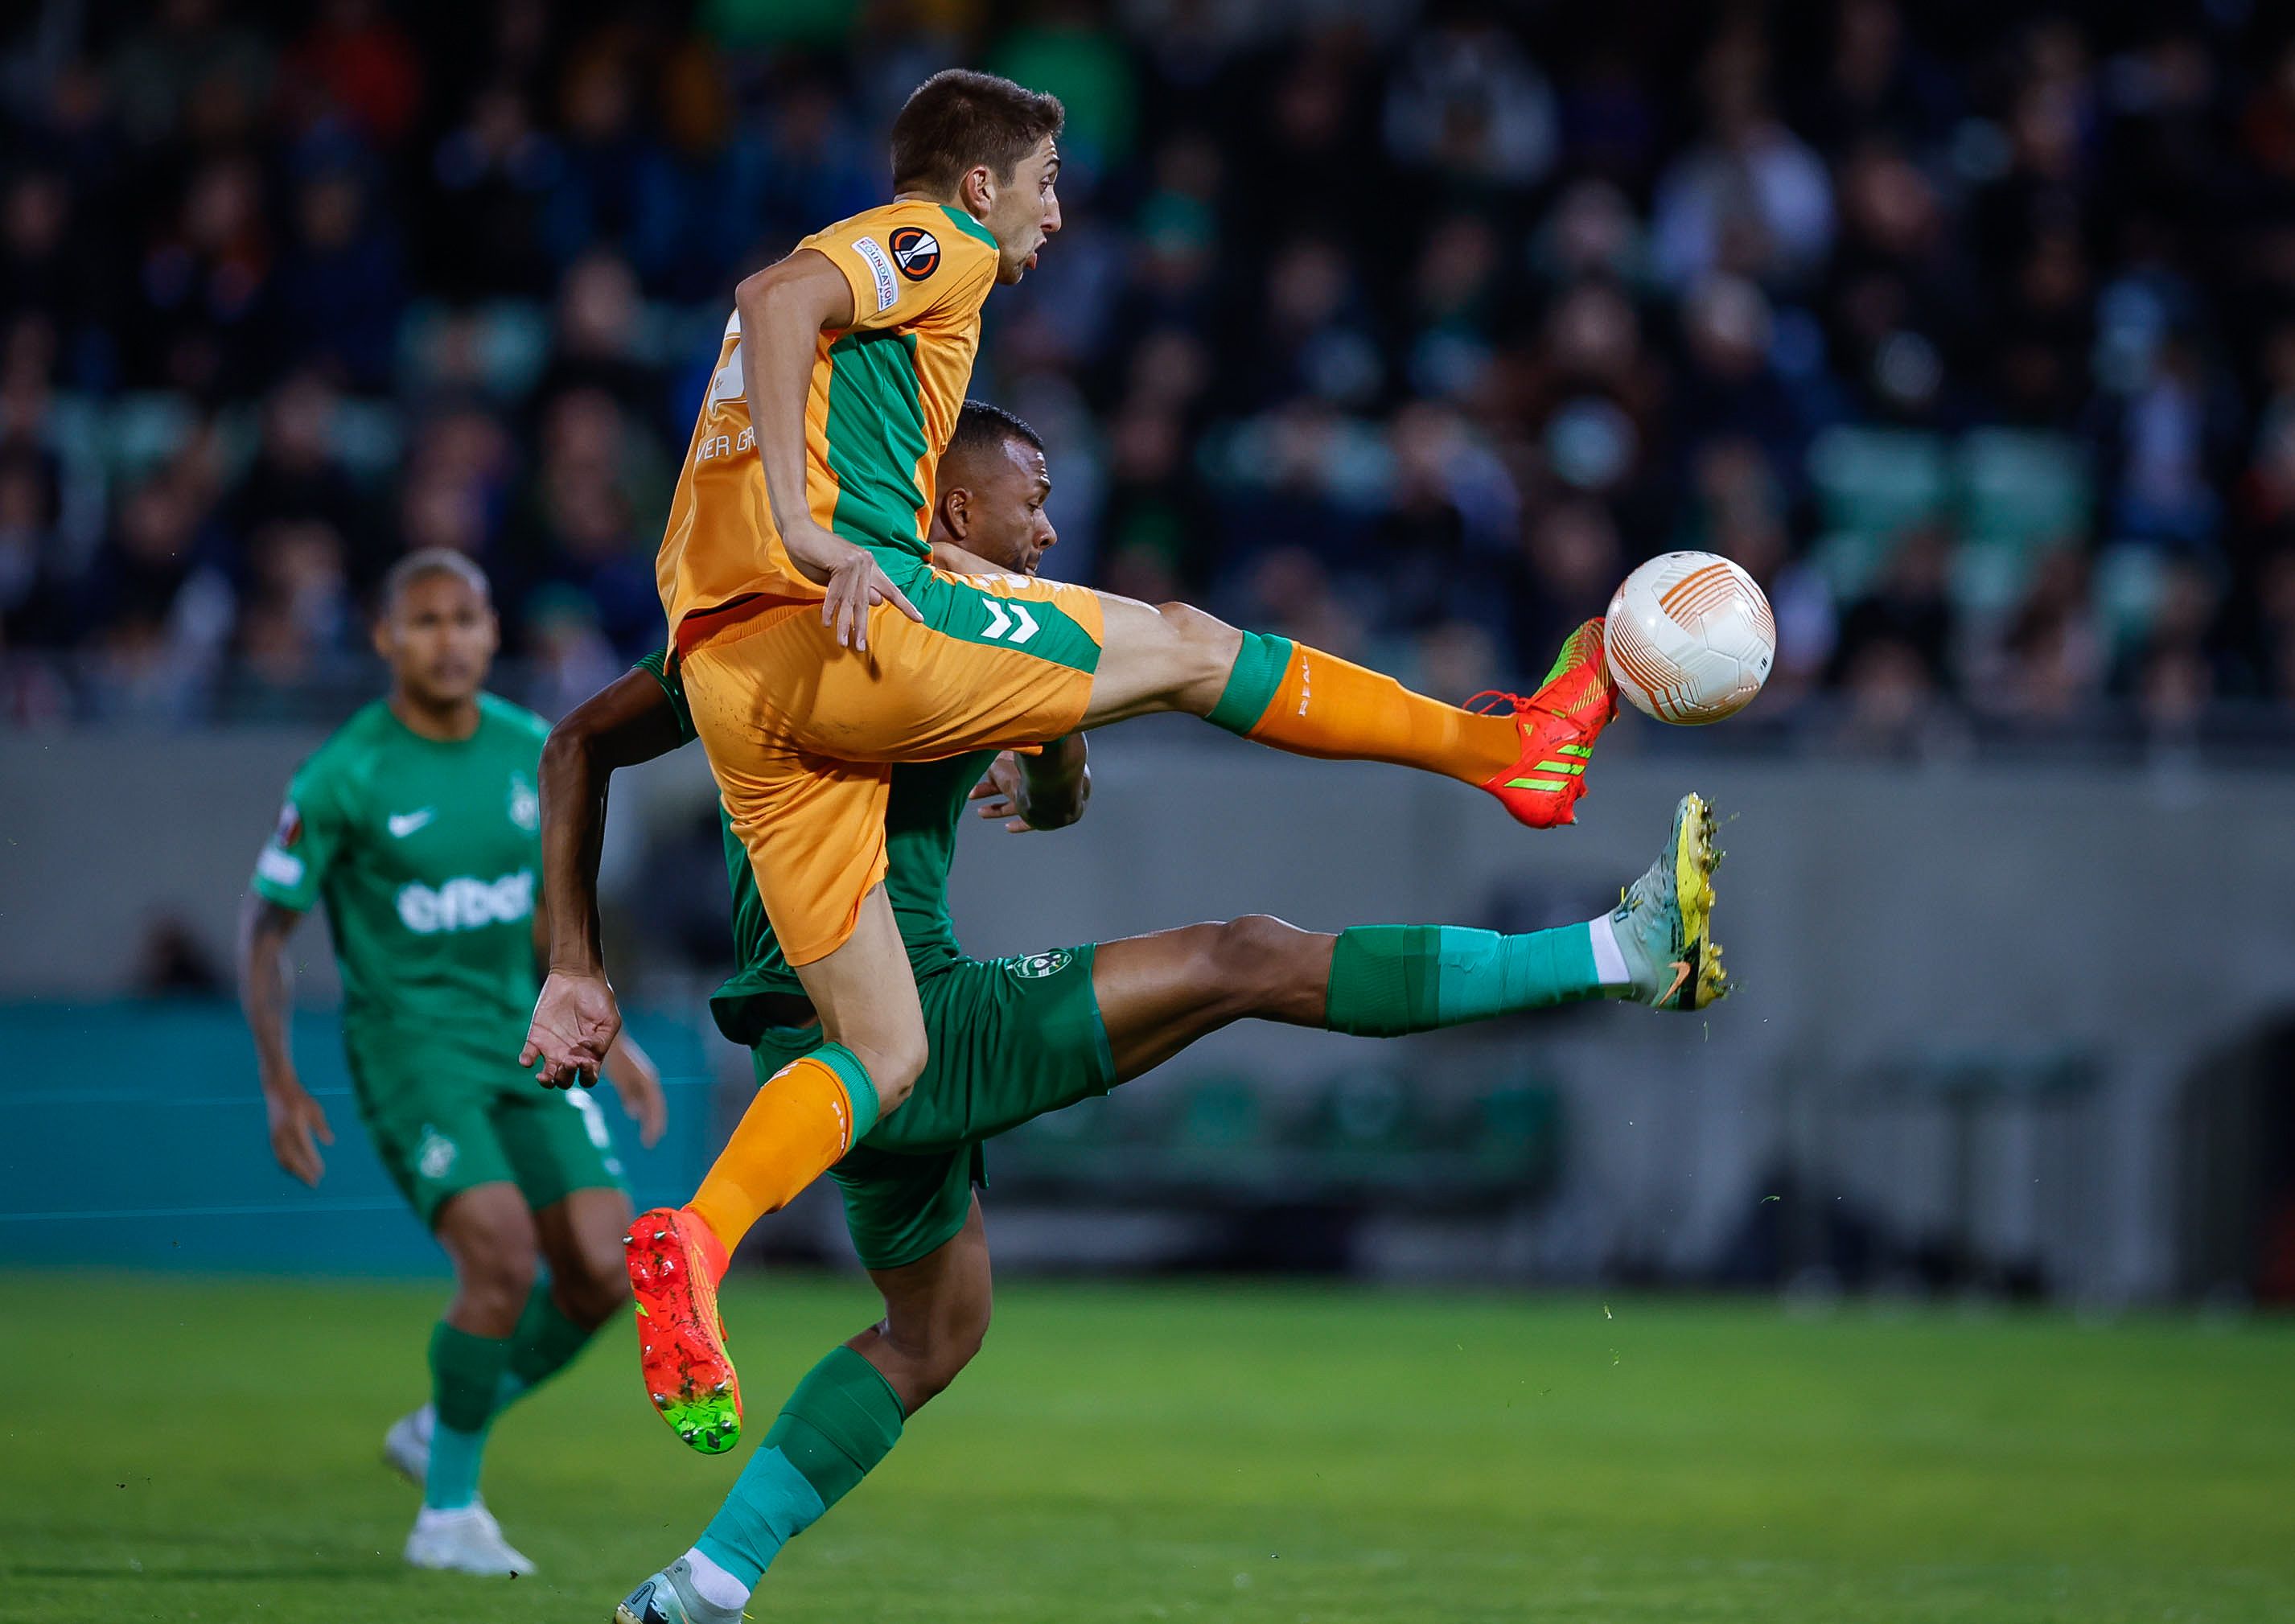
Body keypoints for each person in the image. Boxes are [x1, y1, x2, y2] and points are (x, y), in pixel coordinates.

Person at [524, 68, 1624, 1457]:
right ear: (978, 182)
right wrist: (814, 532)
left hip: (733, 681)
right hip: (836, 622)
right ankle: (1509, 749)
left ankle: (697, 1231)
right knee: (1175, 641)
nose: (1054, 215)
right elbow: (772, 292)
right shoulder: (942, 244)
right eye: (1044, 183)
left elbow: (583, 739)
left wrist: (576, 961)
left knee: (883, 1045)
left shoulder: (868, 447)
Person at [529, 403, 1725, 1622]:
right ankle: (1606, 933)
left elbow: (580, 740)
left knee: (934, 1332)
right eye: (1030, 496)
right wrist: (1058, 755)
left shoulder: (783, 619)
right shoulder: (920, 605)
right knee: (1243, 954)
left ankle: (704, 1581)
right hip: (914, 1017)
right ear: (951, 507)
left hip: (809, 1044)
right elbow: (1120, 697)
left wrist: (576, 962)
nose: (1048, 525)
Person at [240, 549, 666, 1576]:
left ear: (491, 635)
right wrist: (279, 1080)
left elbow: (544, 923)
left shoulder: (538, 750)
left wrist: (620, 1032)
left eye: (466, 618)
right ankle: (448, 1516)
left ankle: (448, 1420)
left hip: (523, 1038)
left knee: (609, 1273)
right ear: (387, 639)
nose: (448, 639)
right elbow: (265, 932)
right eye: (424, 621)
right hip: (412, 1052)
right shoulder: (345, 773)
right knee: (501, 1255)